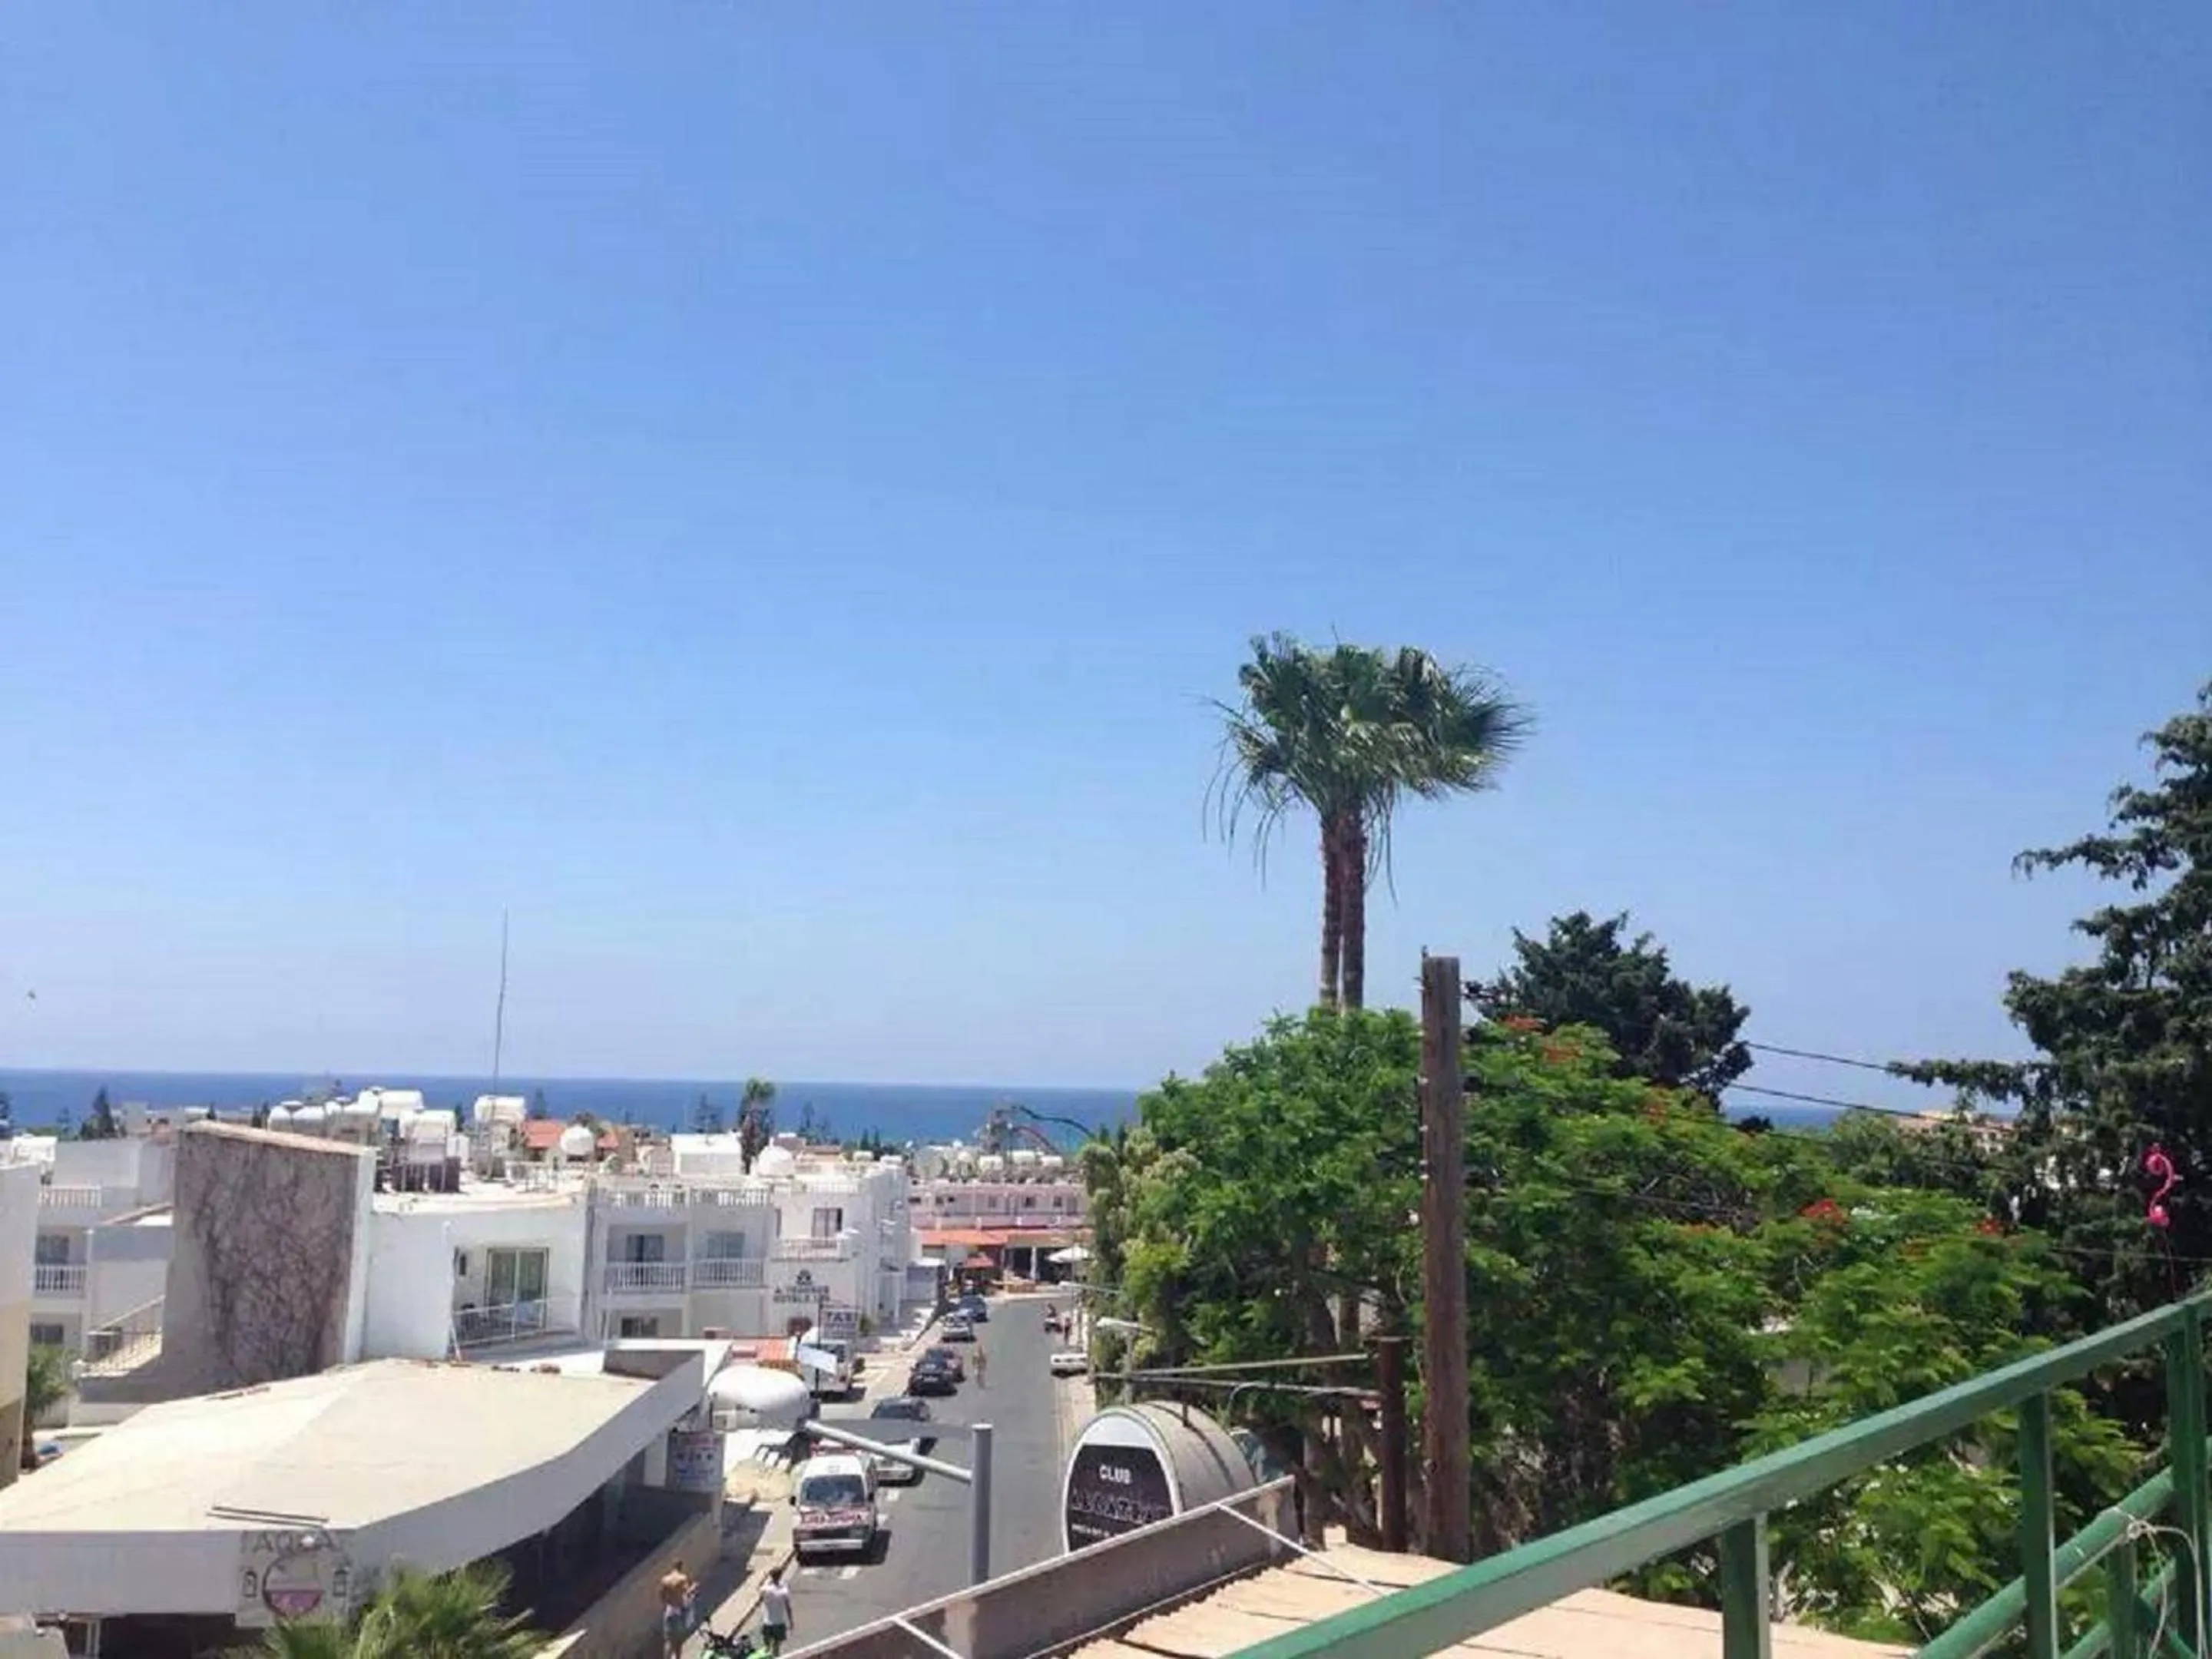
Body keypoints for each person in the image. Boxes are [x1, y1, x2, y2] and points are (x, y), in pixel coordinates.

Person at [658, 1558, 696, 1658]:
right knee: (678, 1640)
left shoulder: (665, 1580)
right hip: (679, 1612)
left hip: (669, 1610)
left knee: (669, 1640)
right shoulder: (682, 1578)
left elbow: (661, 1596)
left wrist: (670, 1602)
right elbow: (687, 1593)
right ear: (681, 1567)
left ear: (672, 1567)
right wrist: (694, 1588)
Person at [759, 1565, 793, 1655]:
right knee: (776, 1647)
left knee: (766, 1647)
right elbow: (788, 1608)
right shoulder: (784, 1591)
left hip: (767, 1622)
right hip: (779, 1622)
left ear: (771, 1576)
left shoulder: (765, 1589)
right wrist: (791, 1621)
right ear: (781, 1576)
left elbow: (759, 1592)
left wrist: (765, 1578)